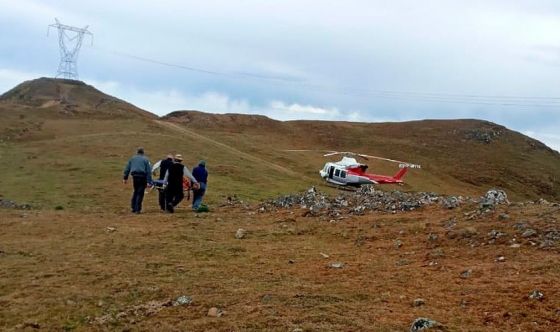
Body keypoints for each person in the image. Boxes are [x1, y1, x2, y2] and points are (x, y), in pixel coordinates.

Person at [123, 147, 152, 214]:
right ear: (143, 153)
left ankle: (133, 207)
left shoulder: (132, 159)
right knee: (140, 192)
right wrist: (149, 181)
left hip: (135, 177)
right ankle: (137, 209)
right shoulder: (146, 159)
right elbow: (148, 171)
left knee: (136, 191)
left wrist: (125, 178)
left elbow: (127, 168)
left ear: (137, 152)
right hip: (142, 177)